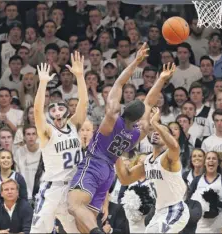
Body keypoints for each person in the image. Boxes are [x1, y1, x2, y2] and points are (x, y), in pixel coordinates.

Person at [68, 43, 176, 234]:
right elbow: (149, 102)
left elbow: (118, 83)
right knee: (83, 224)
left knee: (74, 206)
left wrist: (135, 61)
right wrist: (161, 80)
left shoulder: (111, 119)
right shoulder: (137, 132)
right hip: (109, 173)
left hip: (93, 164)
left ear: (124, 109)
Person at [30, 51, 88, 233]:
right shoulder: (47, 131)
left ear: (66, 110)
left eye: (60, 106)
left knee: (76, 231)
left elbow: (84, 103)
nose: (56, 109)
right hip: (52, 189)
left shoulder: (73, 126)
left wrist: (79, 76)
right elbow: (37, 110)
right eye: (52, 107)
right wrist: (43, 83)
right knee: (39, 230)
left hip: (72, 189)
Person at [115, 107, 190, 233]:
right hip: (159, 211)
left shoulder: (168, 157)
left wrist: (155, 123)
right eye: (154, 131)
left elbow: (175, 147)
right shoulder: (147, 160)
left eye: (160, 132)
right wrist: (116, 152)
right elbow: (125, 179)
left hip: (175, 208)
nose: (156, 132)